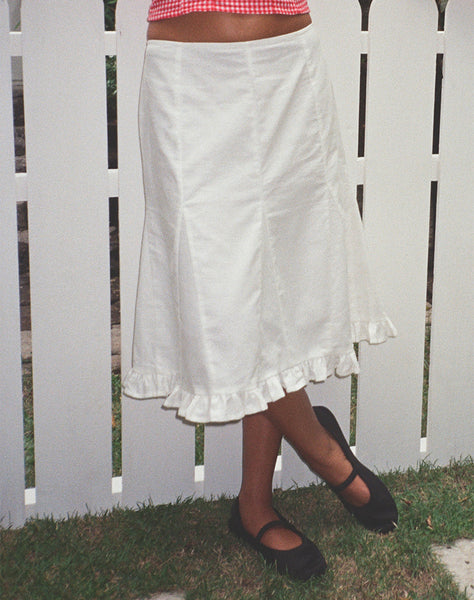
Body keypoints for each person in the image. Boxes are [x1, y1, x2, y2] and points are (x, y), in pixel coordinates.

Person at [122, 0, 398, 581]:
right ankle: (324, 451)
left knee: (285, 282)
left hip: (286, 68)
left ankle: (253, 505)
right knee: (220, 292)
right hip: (189, 76)